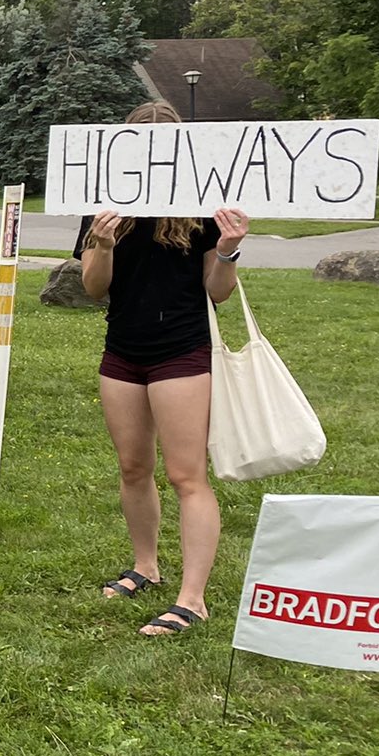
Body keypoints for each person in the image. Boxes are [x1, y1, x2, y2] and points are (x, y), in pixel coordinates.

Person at [79, 103, 250, 638]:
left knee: (186, 475)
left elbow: (216, 293)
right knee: (133, 467)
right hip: (122, 351)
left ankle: (192, 599)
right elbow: (92, 287)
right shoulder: (104, 208)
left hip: (181, 350)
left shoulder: (203, 210)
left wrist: (228, 251)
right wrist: (103, 245)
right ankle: (146, 566)